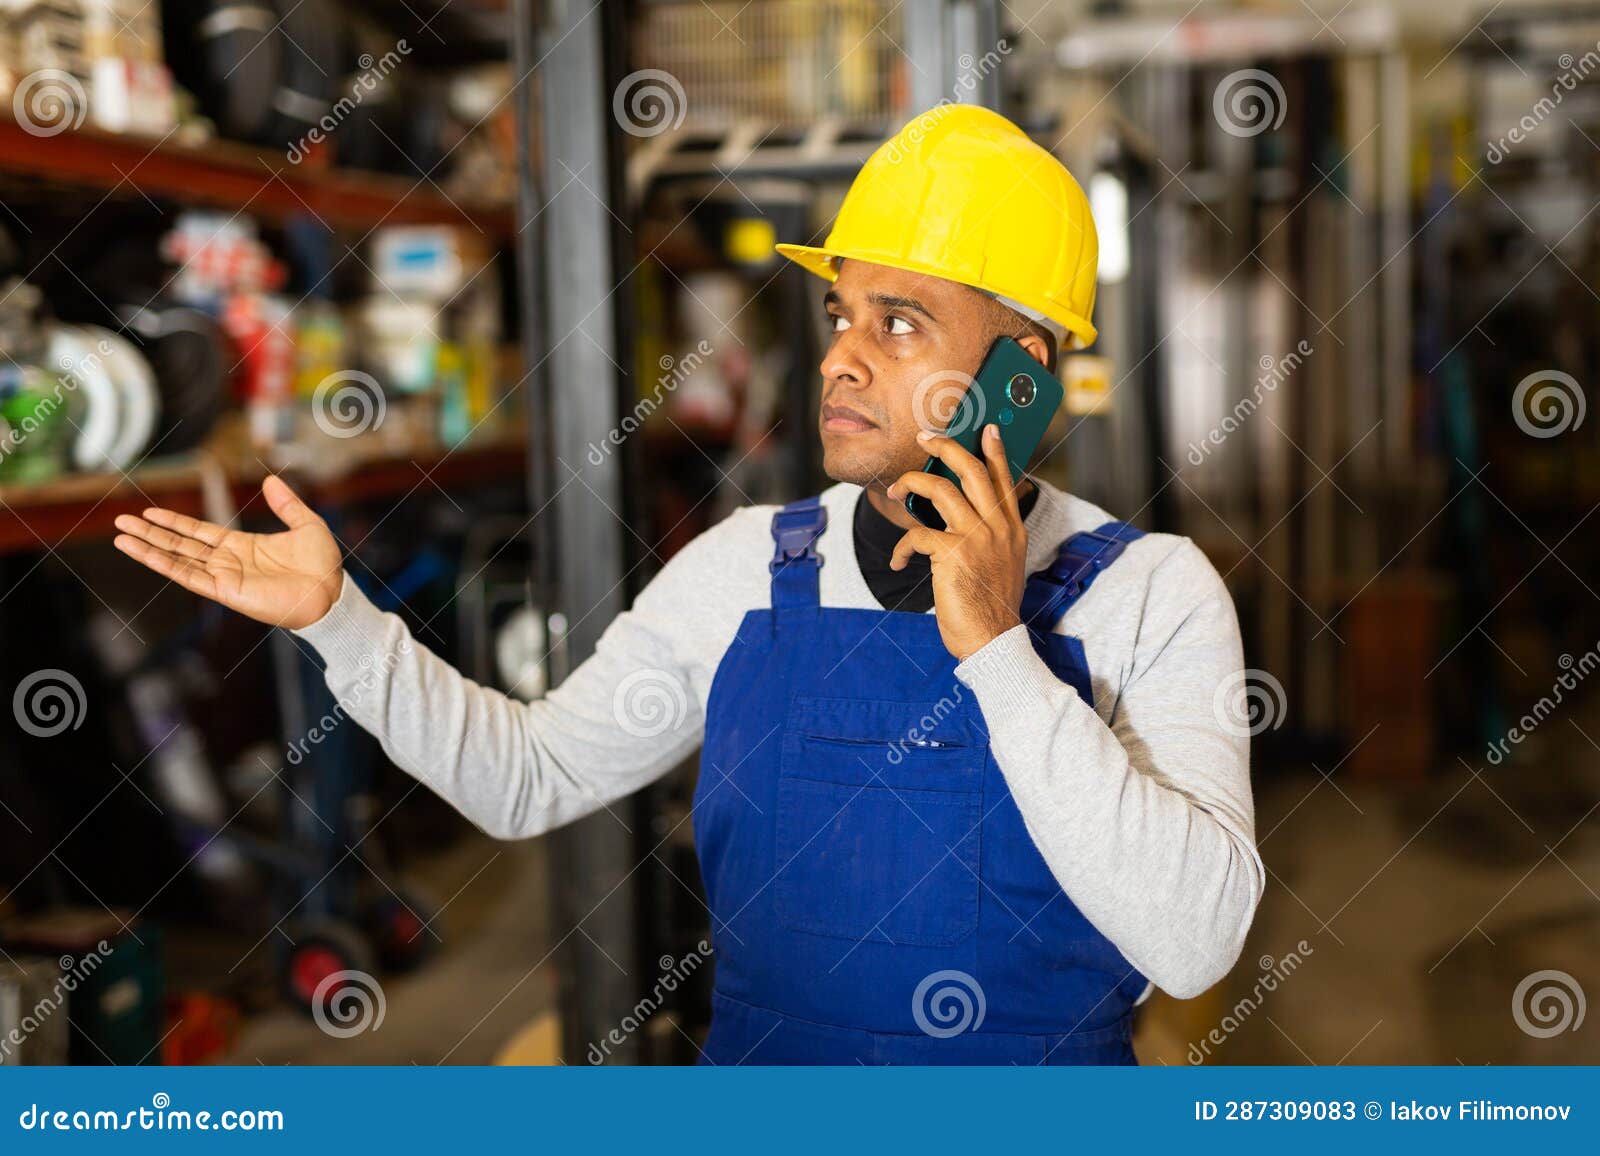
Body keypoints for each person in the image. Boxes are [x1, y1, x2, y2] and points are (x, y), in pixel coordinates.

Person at [113, 105, 1263, 1065]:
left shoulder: (1144, 597)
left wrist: (1001, 656)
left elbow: (1194, 942)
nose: (840, 358)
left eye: (899, 323)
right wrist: (341, 623)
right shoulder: (746, 571)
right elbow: (531, 777)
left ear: (1025, 370)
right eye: (840, 314)